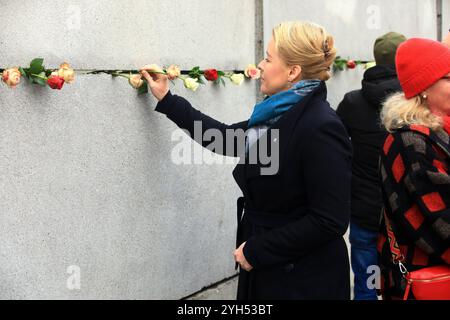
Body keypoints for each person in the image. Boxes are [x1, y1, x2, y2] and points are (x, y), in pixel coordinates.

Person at [140, 21, 352, 300]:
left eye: (268, 58)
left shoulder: (320, 126)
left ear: (293, 71)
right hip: (271, 270)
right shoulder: (276, 117)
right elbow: (223, 138)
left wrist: (257, 250)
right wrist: (168, 99)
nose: (260, 65)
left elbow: (330, 220)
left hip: (303, 280)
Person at [378, 38, 450, 299]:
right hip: (426, 278)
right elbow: (439, 221)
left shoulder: (438, 132)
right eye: (449, 78)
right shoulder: (411, 142)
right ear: (424, 88)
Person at [336, 32, 406, 300]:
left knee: (367, 280)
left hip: (363, 208)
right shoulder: (414, 101)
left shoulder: (352, 102)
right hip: (403, 208)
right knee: (403, 281)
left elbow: (338, 149)